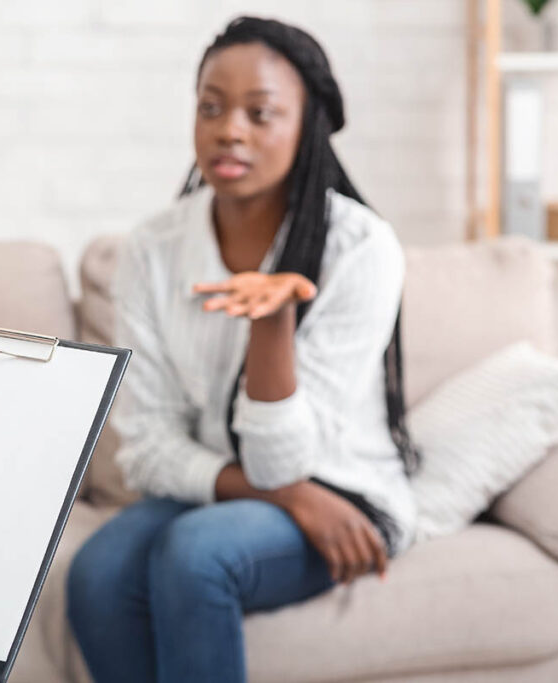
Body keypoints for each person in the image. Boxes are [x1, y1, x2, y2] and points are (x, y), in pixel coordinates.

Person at [66, 16, 420, 683]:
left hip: (342, 489)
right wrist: (290, 498)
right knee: (99, 570)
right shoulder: (150, 250)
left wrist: (273, 323)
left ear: (306, 124)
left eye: (260, 113)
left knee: (197, 554)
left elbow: (284, 458)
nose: (230, 129)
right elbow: (147, 446)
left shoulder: (361, 250)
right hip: (226, 483)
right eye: (211, 107)